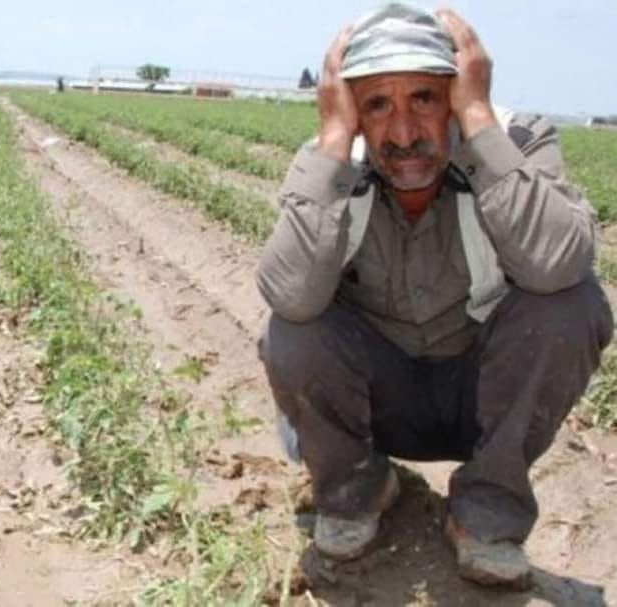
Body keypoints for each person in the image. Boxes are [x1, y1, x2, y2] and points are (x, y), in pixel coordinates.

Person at [256, 2, 613, 588]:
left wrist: (478, 120)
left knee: (571, 305)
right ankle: (358, 489)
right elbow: (290, 297)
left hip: (482, 398)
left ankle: (486, 513)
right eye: (376, 105)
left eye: (424, 98)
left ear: (457, 91)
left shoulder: (516, 142)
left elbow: (558, 264)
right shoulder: (332, 163)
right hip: (379, 402)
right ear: (351, 111)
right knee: (293, 327)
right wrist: (332, 141)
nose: (402, 133)